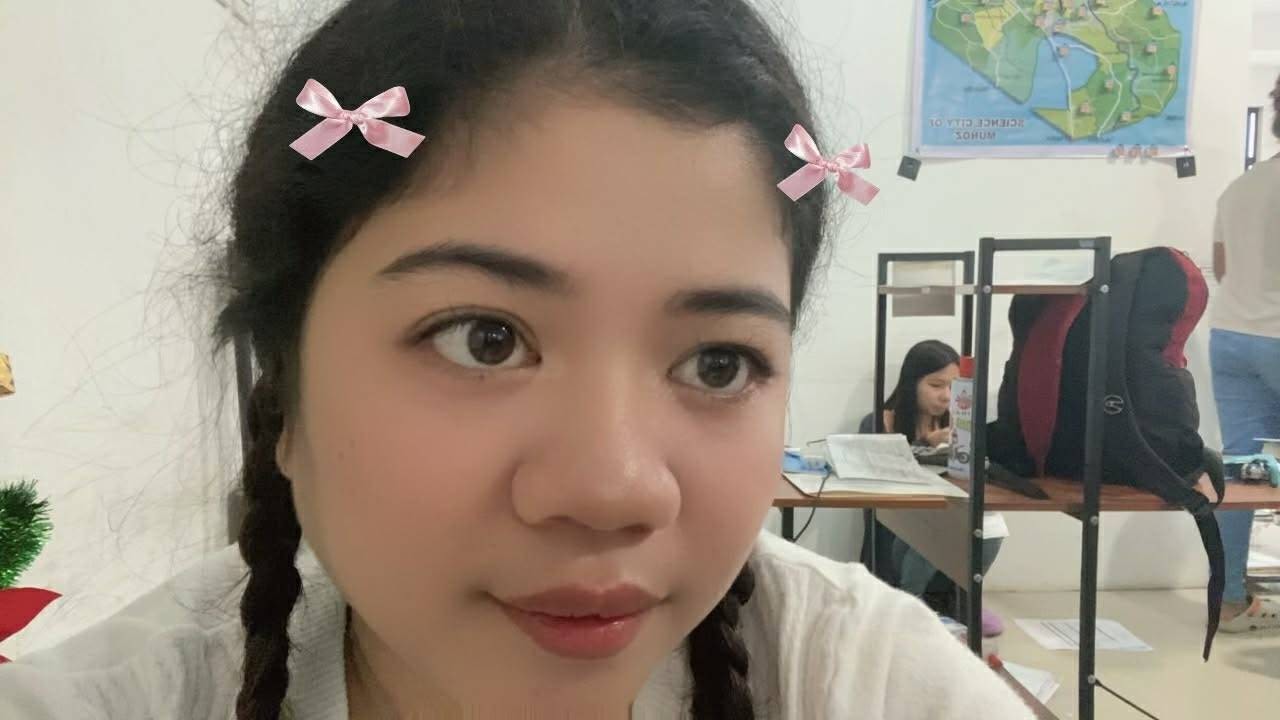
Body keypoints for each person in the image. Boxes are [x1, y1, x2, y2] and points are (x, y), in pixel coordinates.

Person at [0, 2, 1034, 718]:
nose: (612, 490)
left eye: (718, 363)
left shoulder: (870, 686)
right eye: (483, 339)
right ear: (284, 391)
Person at [859, 340, 1005, 637]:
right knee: (929, 526)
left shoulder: (959, 425)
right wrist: (925, 445)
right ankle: (911, 603)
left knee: (991, 527)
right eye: (936, 385)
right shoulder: (879, 422)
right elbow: (877, 479)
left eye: (953, 387)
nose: (946, 396)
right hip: (896, 534)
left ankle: (961, 597)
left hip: (945, 526)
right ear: (912, 383)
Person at [1208, 72, 1280, 634]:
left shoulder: (1241, 187)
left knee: (1241, 473)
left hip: (1232, 334)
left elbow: (1222, 267)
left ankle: (1229, 600)